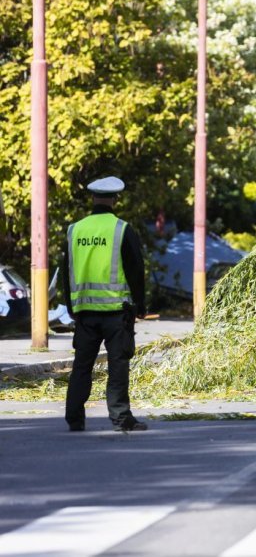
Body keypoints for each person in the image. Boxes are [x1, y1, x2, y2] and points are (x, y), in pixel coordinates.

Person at [63, 177, 147, 432]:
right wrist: (141, 305)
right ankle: (121, 418)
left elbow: (67, 272)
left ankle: (74, 418)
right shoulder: (121, 229)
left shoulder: (74, 230)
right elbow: (136, 271)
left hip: (85, 313)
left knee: (81, 366)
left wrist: (71, 307)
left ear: (92, 198)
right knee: (118, 365)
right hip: (116, 313)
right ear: (115, 199)